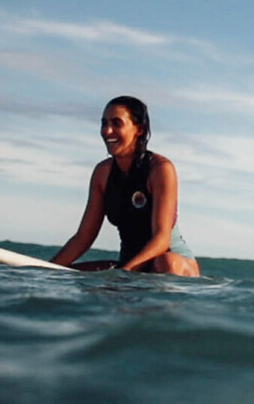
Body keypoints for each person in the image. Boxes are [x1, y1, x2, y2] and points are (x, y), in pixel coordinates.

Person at [51, 96, 200, 276]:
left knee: (165, 263)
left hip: (172, 264)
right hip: (130, 266)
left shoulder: (160, 169)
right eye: (104, 123)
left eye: (116, 123)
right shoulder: (102, 174)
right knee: (69, 273)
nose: (107, 131)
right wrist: (44, 271)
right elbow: (83, 237)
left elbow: (162, 239)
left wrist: (123, 274)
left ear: (140, 129)